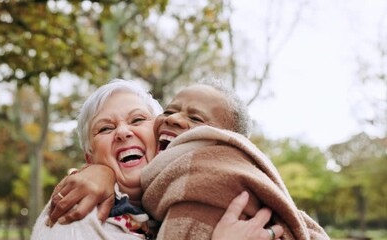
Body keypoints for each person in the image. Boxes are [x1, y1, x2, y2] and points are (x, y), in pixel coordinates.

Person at [31, 79, 281, 240]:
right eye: (105, 129)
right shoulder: (74, 213)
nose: (123, 132)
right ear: (90, 157)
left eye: (138, 120)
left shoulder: (189, 204)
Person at [140, 83, 330, 239]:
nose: (173, 118)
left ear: (229, 143)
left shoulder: (207, 188)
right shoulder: (137, 193)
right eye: (168, 111)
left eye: (196, 118)